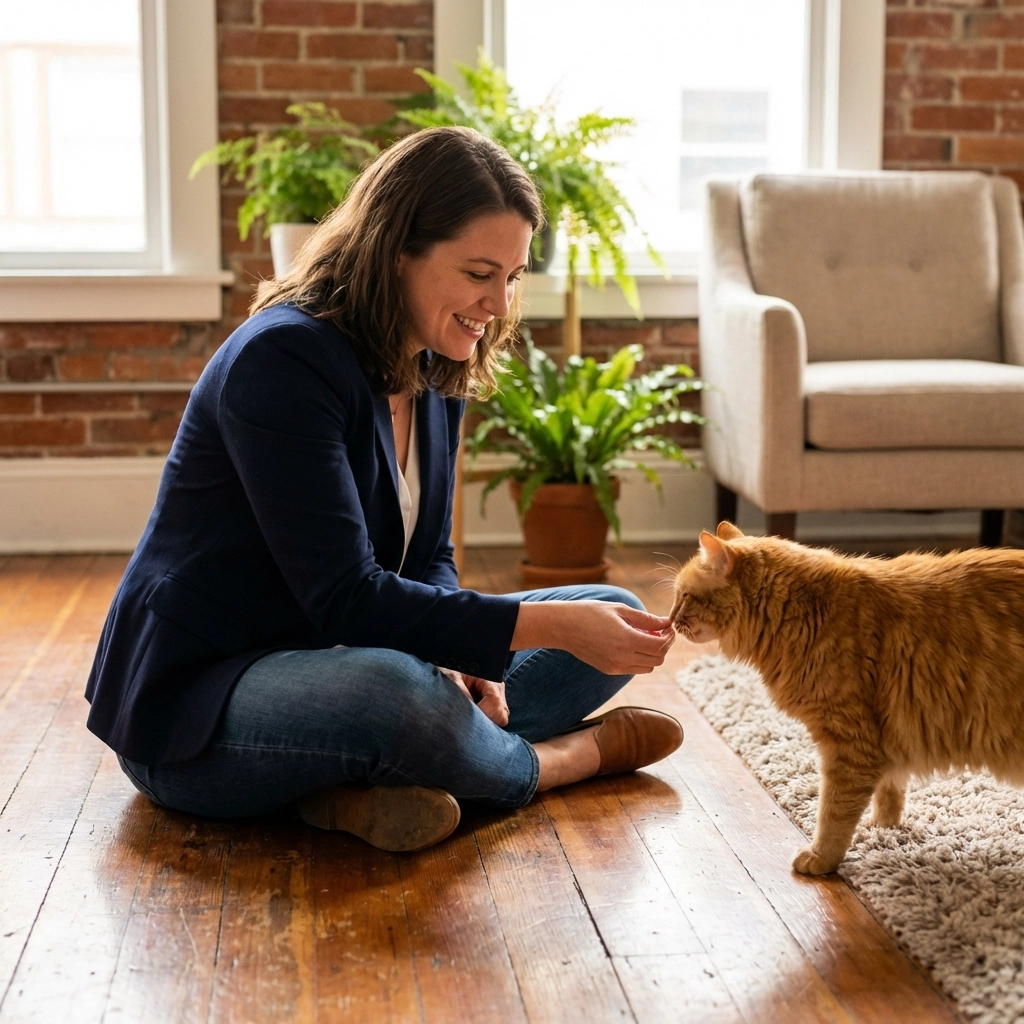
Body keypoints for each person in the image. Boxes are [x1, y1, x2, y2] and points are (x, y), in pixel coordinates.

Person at [85, 126, 682, 852]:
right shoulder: (284, 359)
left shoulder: (434, 362)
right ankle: (556, 763)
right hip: (200, 705)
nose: (497, 303)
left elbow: (428, 554)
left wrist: (465, 660)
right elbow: (346, 597)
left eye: (513, 277)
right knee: (393, 697)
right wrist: (537, 631)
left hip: (344, 658)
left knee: (607, 608)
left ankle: (352, 792)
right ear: (398, 251)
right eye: (478, 273)